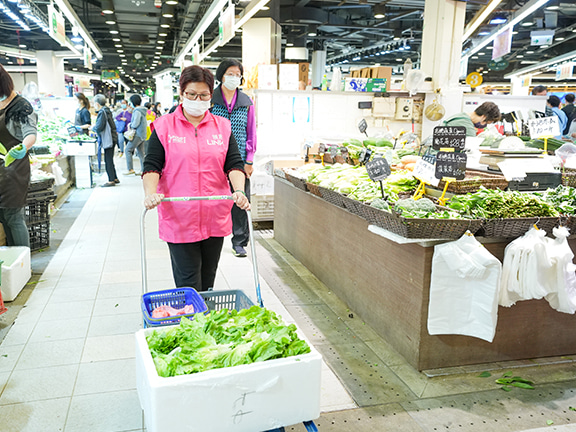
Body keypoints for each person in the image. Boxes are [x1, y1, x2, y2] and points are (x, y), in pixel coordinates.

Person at [142, 65, 250, 292]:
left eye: (203, 95)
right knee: (189, 283)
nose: (197, 99)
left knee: (208, 279)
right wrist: (150, 194)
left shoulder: (223, 127)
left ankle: (202, 321)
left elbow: (234, 164)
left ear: (211, 95)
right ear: (181, 93)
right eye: (191, 94)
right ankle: (192, 321)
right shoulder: (163, 127)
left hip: (214, 215)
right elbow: (152, 166)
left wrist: (238, 190)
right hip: (180, 217)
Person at [211, 59, 257, 258]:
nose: (233, 77)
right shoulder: (210, 100)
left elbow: (251, 132)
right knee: (214, 199)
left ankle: (239, 241)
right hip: (213, 157)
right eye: (230, 73)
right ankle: (211, 237)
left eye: (237, 74)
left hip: (238, 160)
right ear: (221, 75)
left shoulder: (246, 102)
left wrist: (249, 159)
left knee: (240, 199)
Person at [0, 65, 37, 247]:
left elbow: (30, 132)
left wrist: (23, 147)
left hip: (14, 168)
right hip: (0, 167)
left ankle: (23, 261)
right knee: (3, 215)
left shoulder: (21, 106)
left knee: (13, 215)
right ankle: (14, 263)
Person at [91, 94, 119, 187]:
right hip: (112, 136)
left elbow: (99, 126)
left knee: (108, 159)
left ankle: (111, 180)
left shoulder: (102, 112)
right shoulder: (107, 110)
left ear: (97, 104)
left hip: (108, 138)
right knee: (110, 158)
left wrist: (93, 128)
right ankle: (114, 177)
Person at [124, 95, 146, 175]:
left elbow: (136, 123)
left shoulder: (137, 111)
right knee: (141, 153)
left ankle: (130, 169)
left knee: (128, 150)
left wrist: (131, 125)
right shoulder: (143, 110)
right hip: (143, 134)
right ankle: (144, 170)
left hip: (137, 134)